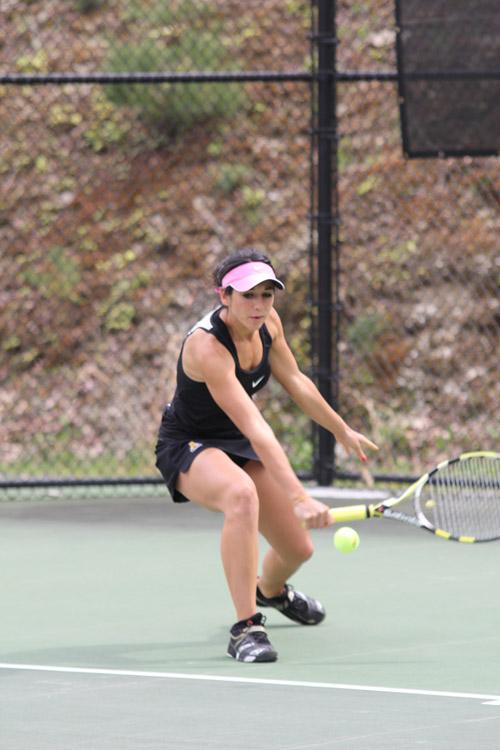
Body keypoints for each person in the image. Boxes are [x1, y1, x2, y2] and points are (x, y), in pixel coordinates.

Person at [155, 248, 378, 663]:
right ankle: (246, 627)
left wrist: (340, 428)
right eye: (248, 296)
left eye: (267, 295)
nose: (259, 305)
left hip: (234, 439)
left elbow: (295, 380)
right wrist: (299, 496)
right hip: (190, 442)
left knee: (297, 550)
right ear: (224, 296)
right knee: (241, 496)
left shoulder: (267, 324)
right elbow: (257, 428)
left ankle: (269, 591)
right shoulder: (207, 347)